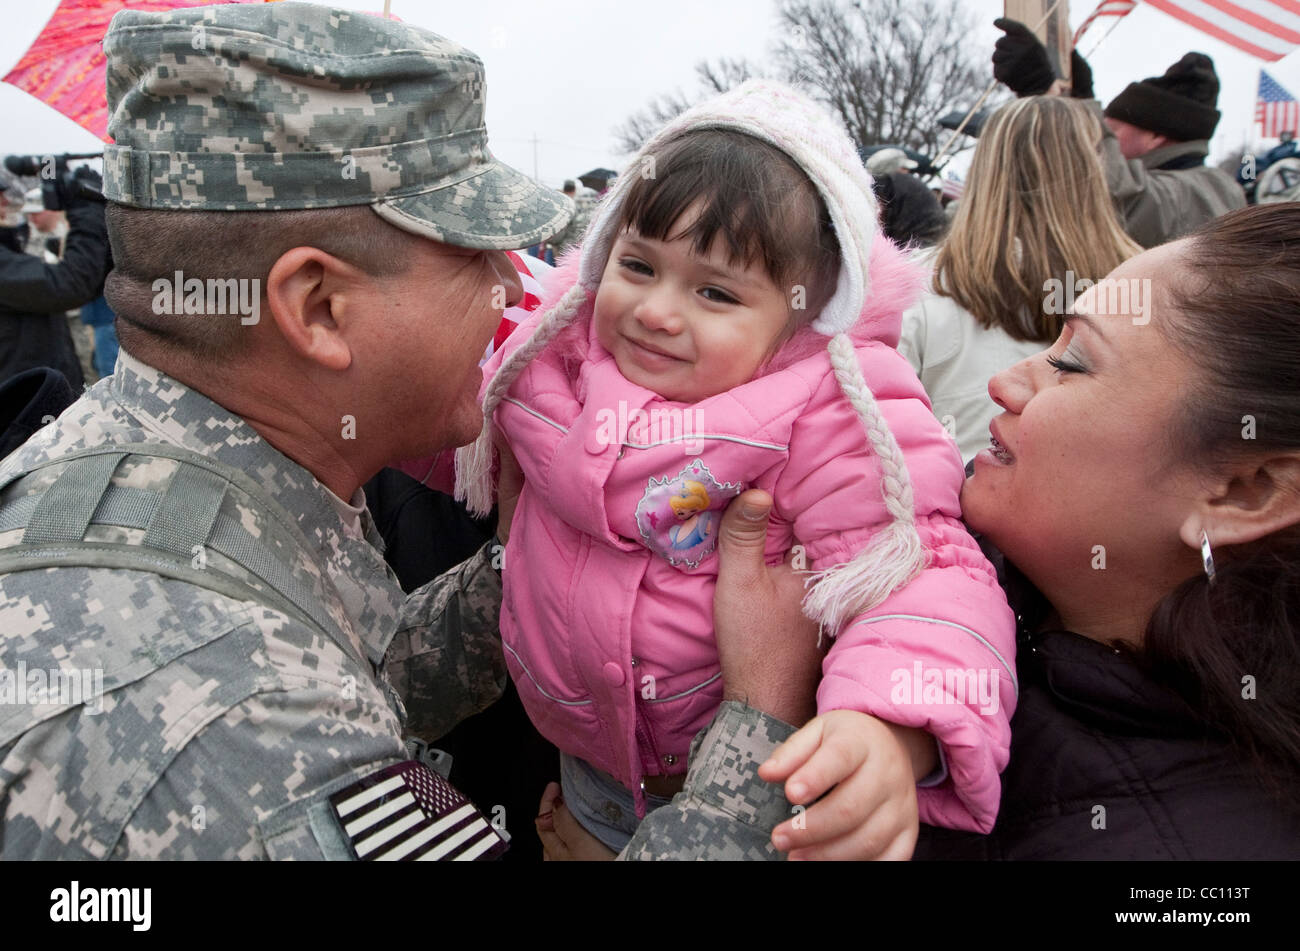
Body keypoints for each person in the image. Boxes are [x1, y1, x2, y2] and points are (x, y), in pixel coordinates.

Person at [0, 2, 813, 862]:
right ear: (317, 307)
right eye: (473, 252)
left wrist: (550, 565)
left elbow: (363, 668)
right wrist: (758, 721)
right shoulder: (249, 729)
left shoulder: (156, 465)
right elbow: (300, 702)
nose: (511, 286)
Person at [550, 204, 1300, 861]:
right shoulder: (961, 588)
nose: (1005, 383)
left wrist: (761, 719)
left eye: (1072, 363)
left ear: (1245, 490)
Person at [448, 80, 1017, 856]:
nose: (656, 310)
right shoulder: (555, 363)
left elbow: (928, 577)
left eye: (715, 291)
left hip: (739, 791)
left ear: (802, 313)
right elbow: (434, 429)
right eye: (639, 265)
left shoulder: (832, 415)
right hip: (583, 766)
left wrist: (891, 726)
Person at [900, 96, 1142, 462]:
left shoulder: (914, 282)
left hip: (951, 501)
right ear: (1092, 168)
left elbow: (876, 426)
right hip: (1099, 508)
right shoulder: (1141, 281)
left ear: (984, 168)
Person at [992, 19, 1245, 248]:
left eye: (1111, 131)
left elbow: (1111, 199)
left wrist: (1047, 107)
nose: (1104, 138)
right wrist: (1080, 101)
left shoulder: (1196, 192)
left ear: (1155, 136)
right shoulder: (1208, 185)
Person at [0, 165, 102, 390]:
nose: (5, 201)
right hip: (25, 402)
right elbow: (68, 284)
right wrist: (86, 205)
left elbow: (82, 282)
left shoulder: (12, 244)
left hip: (33, 392)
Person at [546, 178, 597, 260]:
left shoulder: (564, 207)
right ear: (574, 189)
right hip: (581, 250)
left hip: (564, 251)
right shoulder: (588, 206)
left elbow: (557, 236)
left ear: (564, 189)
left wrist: (550, 241)